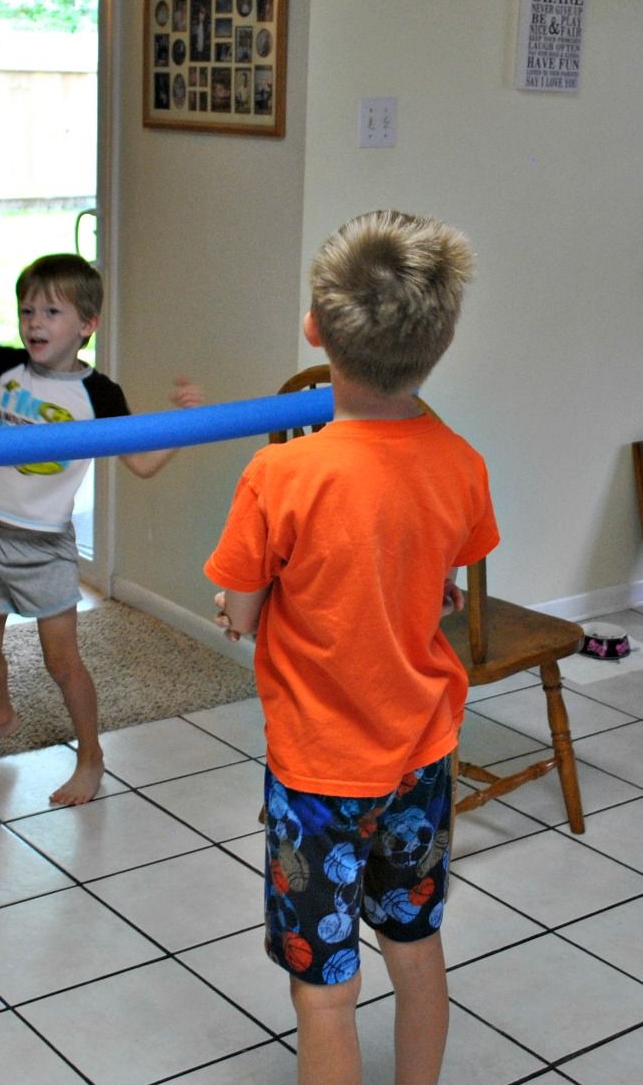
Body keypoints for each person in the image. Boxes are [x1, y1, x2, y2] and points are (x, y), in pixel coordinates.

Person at [204, 211, 499, 1085]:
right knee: (416, 948)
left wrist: (235, 607)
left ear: (315, 330)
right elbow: (438, 573)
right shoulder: (461, 462)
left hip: (319, 774)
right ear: (440, 343)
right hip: (422, 754)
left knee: (325, 992)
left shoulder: (280, 475)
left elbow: (244, 609)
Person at [0, 253, 203, 806]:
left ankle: (92, 757)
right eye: (28, 309)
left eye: (52, 312)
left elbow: (144, 463)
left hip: (45, 547)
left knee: (62, 662)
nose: (35, 322)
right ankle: (0, 717)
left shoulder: (98, 395)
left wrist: (188, 423)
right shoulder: (6, 366)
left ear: (86, 325)